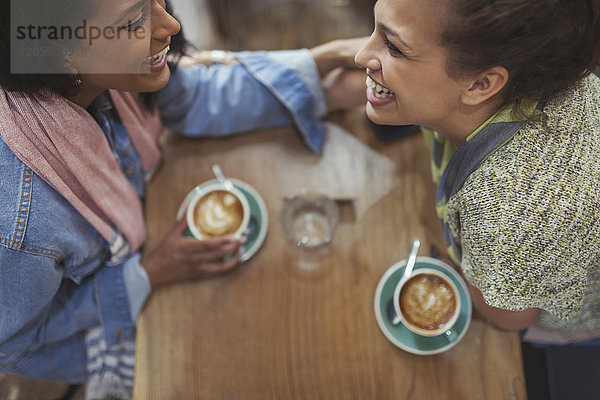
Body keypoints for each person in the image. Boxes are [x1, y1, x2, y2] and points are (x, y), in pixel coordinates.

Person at [0, 0, 366, 398]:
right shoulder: (23, 221)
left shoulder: (110, 76)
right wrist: (149, 274)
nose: (171, 24)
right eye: (132, 21)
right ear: (61, 50)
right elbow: (16, 342)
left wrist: (318, 67)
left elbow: (193, 96)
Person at [355, 0, 600, 397]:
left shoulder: (510, 213)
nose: (359, 55)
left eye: (393, 47)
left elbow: (512, 317)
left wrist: (466, 270)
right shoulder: (522, 63)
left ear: (481, 84)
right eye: (375, 30)